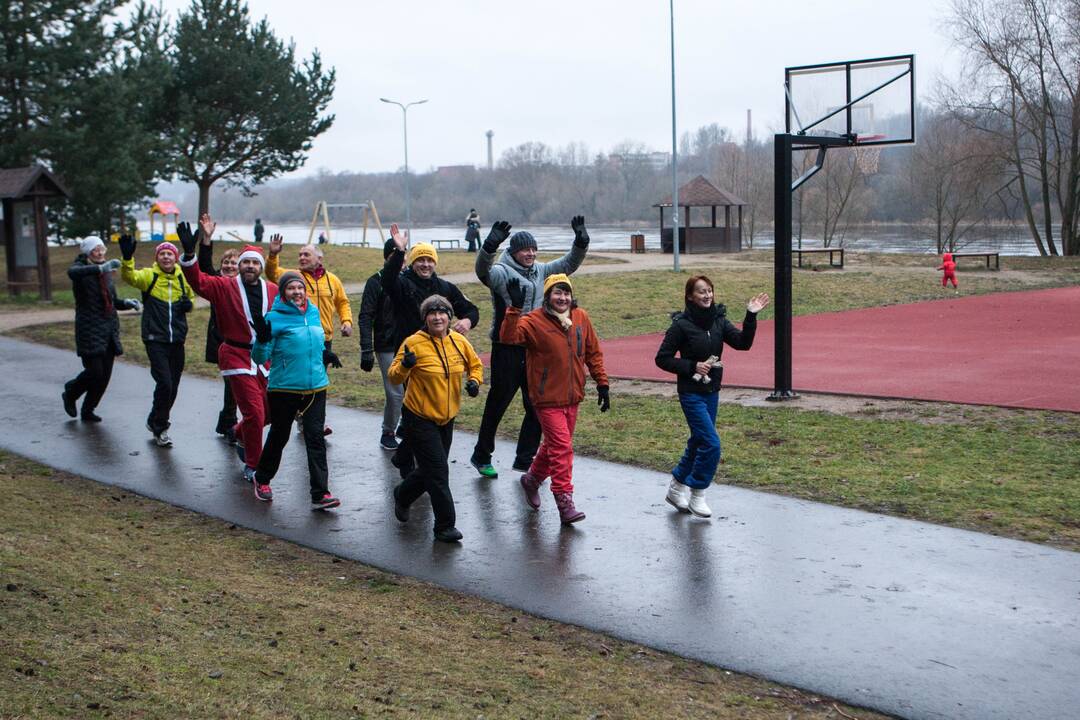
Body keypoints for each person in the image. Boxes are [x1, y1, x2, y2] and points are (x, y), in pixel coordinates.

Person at [470, 215, 591, 479]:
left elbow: (569, 264)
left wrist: (581, 242)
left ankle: (525, 459)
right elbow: (483, 272)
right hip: (507, 346)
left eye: (534, 249)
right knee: (498, 403)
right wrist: (488, 247)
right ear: (514, 252)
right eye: (526, 249)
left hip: (535, 346)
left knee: (538, 403)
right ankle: (481, 455)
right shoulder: (502, 272)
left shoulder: (541, 271)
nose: (531, 254)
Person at [654, 275, 769, 518]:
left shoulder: (719, 321)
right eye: (701, 292)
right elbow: (662, 359)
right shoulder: (681, 325)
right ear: (690, 297)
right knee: (711, 443)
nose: (707, 296)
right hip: (691, 393)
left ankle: (676, 487)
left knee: (698, 441)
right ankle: (698, 492)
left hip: (711, 391)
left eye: (709, 291)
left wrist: (751, 315)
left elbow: (742, 343)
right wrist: (692, 366)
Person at [500, 273, 609, 525]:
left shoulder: (580, 317)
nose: (562, 298)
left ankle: (532, 480)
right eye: (557, 293)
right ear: (547, 296)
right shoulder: (533, 321)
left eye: (566, 293)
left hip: (572, 396)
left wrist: (602, 382)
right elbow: (509, 337)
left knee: (553, 447)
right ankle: (564, 501)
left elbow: (593, 352)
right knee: (562, 448)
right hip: (546, 398)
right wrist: (514, 309)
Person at [179, 222, 278, 485]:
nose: (250, 267)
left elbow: (289, 316)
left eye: (255, 264)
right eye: (246, 263)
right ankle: (253, 465)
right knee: (254, 413)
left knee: (271, 411)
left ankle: (237, 431)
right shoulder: (224, 286)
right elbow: (198, 281)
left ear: (260, 267)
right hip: (235, 354)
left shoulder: (273, 291)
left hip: (264, 358)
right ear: (240, 266)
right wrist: (190, 256)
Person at [382, 225, 480, 476]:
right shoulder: (402, 284)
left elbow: (470, 309)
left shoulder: (445, 287)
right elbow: (387, 279)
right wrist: (399, 250)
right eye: (420, 260)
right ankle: (411, 467)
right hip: (411, 356)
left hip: (440, 355)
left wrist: (467, 321)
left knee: (428, 411)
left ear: (435, 263)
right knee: (415, 408)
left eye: (429, 260)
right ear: (413, 262)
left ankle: (405, 455)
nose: (425, 264)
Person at [388, 294, 484, 542]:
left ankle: (403, 494)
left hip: (447, 417)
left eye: (442, 313)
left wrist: (474, 381)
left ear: (449, 317)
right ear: (425, 318)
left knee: (431, 469)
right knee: (439, 472)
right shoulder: (413, 343)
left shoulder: (459, 342)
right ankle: (444, 526)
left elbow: (475, 365)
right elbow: (394, 377)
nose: (438, 317)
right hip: (418, 416)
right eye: (432, 313)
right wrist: (406, 365)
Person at [249, 271, 341, 508]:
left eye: (300, 288)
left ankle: (320, 494)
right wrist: (262, 338)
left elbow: (312, 344)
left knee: (315, 439)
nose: (297, 292)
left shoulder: (312, 312)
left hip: (316, 387)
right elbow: (260, 357)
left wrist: (325, 354)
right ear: (283, 292)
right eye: (291, 288)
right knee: (280, 435)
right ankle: (262, 479)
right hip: (284, 389)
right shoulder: (273, 318)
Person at [266, 234, 352, 434]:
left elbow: (343, 302)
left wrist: (346, 321)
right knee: (302, 381)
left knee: (317, 382)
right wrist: (273, 255)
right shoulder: (295, 277)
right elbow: (272, 273)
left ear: (319, 259)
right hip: (296, 339)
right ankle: (308, 421)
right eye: (300, 255)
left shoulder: (332, 280)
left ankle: (310, 421)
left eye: (306, 254)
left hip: (323, 340)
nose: (301, 258)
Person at [118, 234, 196, 447]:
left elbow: (191, 296)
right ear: (157, 258)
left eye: (170, 253)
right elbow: (129, 276)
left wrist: (188, 305)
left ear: (175, 257)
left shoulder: (182, 277)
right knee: (165, 383)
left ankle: (154, 419)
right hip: (155, 338)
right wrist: (127, 258)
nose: (166, 257)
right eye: (162, 253)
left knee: (173, 386)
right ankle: (161, 427)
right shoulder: (149, 276)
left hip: (177, 339)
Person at [62, 237, 141, 422]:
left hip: (109, 329)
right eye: (95, 250)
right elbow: (72, 273)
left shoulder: (106, 272)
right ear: (87, 252)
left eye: (102, 249)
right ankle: (71, 393)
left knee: (104, 376)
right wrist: (100, 268)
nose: (100, 253)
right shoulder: (80, 269)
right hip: (89, 328)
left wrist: (127, 303)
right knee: (94, 372)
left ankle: (88, 410)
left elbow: (112, 301)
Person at [197, 215, 241, 442]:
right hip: (222, 341)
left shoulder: (245, 285)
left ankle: (227, 423)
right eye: (226, 263)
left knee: (235, 384)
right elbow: (203, 266)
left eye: (234, 263)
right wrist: (206, 238)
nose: (230, 266)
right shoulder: (217, 282)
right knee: (232, 382)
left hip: (244, 343)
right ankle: (230, 425)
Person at [358, 239, 403, 451]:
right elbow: (365, 316)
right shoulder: (375, 282)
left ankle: (409, 428)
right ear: (387, 257)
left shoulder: (409, 279)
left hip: (412, 344)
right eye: (396, 255)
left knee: (413, 390)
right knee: (396, 393)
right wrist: (366, 349)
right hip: (386, 345)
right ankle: (388, 431)